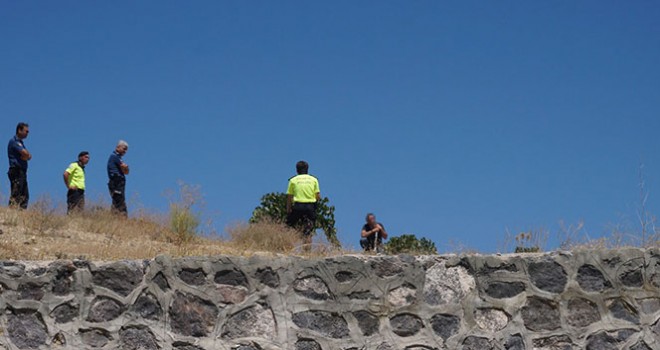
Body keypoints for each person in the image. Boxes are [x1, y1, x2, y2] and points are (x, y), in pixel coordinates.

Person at [286, 160, 320, 247]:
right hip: (310, 206)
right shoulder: (314, 180)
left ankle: (288, 245)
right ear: (307, 169)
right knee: (308, 229)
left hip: (298, 206)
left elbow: (289, 197)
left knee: (289, 226)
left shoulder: (293, 180)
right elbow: (318, 196)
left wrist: (288, 209)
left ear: (297, 170)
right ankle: (307, 248)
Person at [7, 122, 31, 209]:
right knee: (16, 194)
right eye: (26, 131)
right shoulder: (14, 141)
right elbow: (25, 153)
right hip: (16, 170)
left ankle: (21, 216)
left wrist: (27, 156)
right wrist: (26, 155)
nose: (27, 133)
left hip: (22, 172)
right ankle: (10, 214)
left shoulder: (21, 143)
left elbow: (28, 156)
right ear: (19, 130)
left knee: (24, 195)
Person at [107, 140, 130, 215]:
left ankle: (119, 217)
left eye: (126, 149)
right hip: (116, 181)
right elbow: (125, 169)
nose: (125, 151)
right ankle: (118, 217)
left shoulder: (119, 158)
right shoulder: (114, 156)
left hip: (120, 181)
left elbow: (126, 172)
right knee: (118, 200)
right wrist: (125, 168)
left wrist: (126, 168)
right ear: (118, 147)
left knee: (120, 199)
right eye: (124, 148)